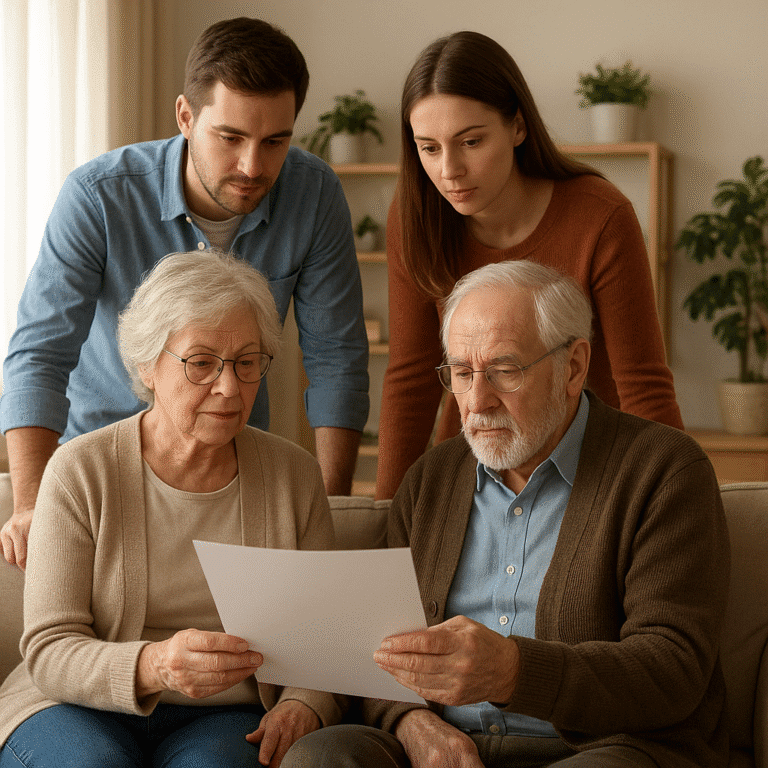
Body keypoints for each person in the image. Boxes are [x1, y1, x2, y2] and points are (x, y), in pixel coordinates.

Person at [282, 260, 729, 768]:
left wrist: (515, 672)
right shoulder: (430, 480)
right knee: (320, 757)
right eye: (462, 372)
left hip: (602, 747)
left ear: (574, 366)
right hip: (445, 749)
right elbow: (379, 647)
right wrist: (412, 722)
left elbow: (673, 668)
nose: (476, 400)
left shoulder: (663, 471)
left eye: (503, 370)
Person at [0, 16, 369, 569]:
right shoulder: (97, 196)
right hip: (102, 464)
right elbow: (39, 355)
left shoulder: (313, 195)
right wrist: (31, 505)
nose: (253, 166)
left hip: (231, 468)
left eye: (275, 142)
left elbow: (337, 358)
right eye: (231, 138)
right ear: (185, 117)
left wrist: (330, 508)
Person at [0, 250, 347, 768]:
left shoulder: (293, 475)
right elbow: (51, 649)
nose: (229, 387)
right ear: (148, 364)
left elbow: (324, 637)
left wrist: (303, 703)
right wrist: (156, 665)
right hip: (75, 704)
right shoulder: (79, 470)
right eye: (201, 362)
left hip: (225, 712)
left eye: (247, 362)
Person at [375, 30, 682, 501]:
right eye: (429, 148)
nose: (448, 170)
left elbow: (641, 385)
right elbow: (412, 378)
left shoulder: (599, 216)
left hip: (589, 472)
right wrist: (388, 520)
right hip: (474, 470)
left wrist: (672, 501)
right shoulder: (413, 218)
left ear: (518, 127)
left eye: (471, 141)